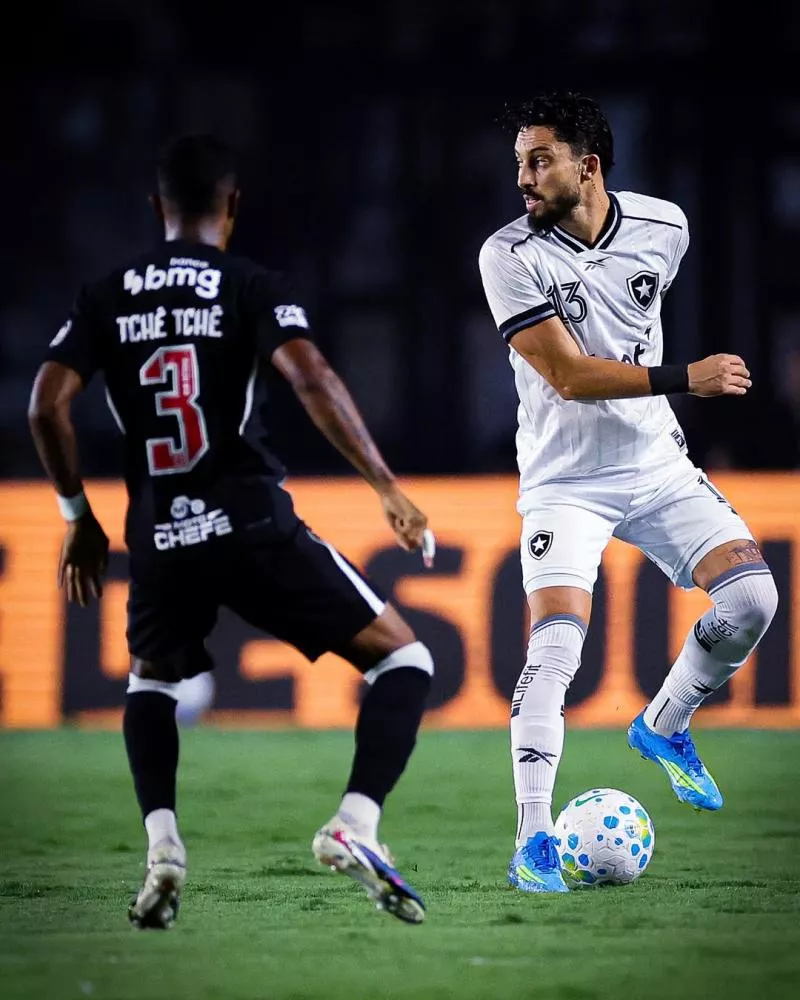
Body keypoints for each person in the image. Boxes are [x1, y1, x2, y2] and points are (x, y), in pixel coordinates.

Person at [28, 134, 437, 927]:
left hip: (157, 534)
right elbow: (311, 377)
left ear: (157, 208)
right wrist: (385, 484)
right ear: (233, 207)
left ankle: (165, 851)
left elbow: (46, 404)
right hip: (249, 521)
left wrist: (79, 519)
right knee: (404, 660)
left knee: (151, 680)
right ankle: (353, 825)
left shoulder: (106, 293)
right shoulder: (248, 283)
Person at [478, 92, 778, 893]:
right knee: (556, 649)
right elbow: (571, 378)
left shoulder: (664, 227)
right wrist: (689, 377)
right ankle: (534, 841)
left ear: (590, 165)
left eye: (539, 161)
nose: (524, 179)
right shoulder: (508, 255)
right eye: (519, 162)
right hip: (564, 481)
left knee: (752, 600)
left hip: (655, 465)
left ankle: (665, 724)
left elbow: (631, 318)